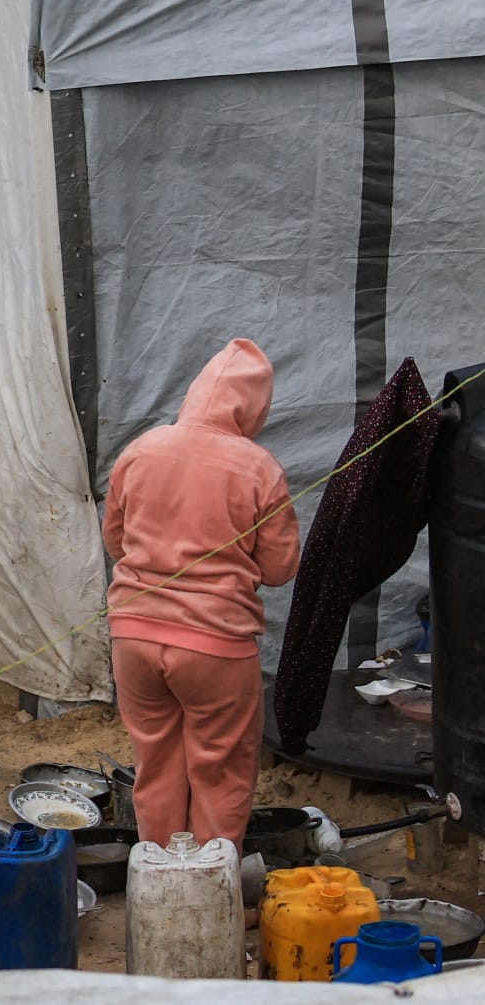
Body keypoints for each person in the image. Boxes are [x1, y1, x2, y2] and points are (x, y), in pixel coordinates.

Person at [102, 337, 300, 844]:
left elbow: (116, 541)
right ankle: (212, 903)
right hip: (215, 644)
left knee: (156, 765)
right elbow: (280, 570)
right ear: (253, 407)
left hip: (133, 637)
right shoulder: (259, 466)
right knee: (222, 771)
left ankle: (161, 891)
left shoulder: (142, 449)